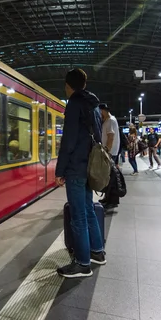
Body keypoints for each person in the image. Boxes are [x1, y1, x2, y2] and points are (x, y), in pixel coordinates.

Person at [55, 68, 106, 278]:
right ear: (84, 84)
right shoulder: (93, 106)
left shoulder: (74, 104)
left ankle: (83, 263)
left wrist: (60, 170)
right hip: (89, 166)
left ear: (69, 86)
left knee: (78, 217)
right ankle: (97, 252)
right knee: (88, 210)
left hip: (76, 167)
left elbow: (69, 141)